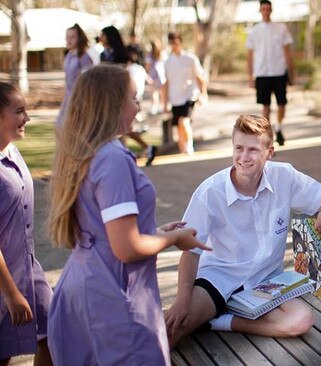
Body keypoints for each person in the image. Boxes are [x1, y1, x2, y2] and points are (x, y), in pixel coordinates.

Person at [46, 65, 210, 365]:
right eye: (133, 99)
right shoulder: (113, 158)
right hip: (113, 295)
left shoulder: (87, 153)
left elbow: (106, 231)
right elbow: (126, 247)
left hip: (84, 284)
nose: (138, 107)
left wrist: (155, 233)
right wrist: (175, 238)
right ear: (111, 104)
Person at [165, 114, 321, 348]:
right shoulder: (210, 192)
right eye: (238, 148)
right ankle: (209, 313)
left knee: (301, 321)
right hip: (219, 279)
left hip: (266, 282)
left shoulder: (284, 176)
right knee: (169, 330)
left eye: (253, 150)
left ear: (269, 152)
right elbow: (190, 252)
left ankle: (220, 321)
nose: (244, 157)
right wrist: (182, 299)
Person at [0, 82, 52, 366]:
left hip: (29, 268)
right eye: (19, 111)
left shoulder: (11, 151)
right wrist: (11, 294)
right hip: (4, 278)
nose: (27, 118)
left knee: (54, 331)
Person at [246, 0, 295, 146]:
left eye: (268, 9)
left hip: (279, 71)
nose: (266, 11)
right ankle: (268, 136)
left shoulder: (281, 29)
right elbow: (249, 55)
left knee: (282, 104)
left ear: (271, 10)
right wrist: (250, 76)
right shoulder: (254, 31)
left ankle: (279, 127)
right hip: (262, 73)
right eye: (263, 9)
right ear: (260, 11)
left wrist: (291, 71)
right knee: (265, 106)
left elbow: (287, 52)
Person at [162, 32, 206, 155]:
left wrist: (203, 94)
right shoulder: (167, 62)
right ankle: (182, 151)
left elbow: (199, 77)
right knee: (179, 126)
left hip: (190, 95)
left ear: (180, 42)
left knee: (184, 121)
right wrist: (164, 103)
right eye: (172, 43)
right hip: (175, 98)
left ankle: (189, 146)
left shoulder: (190, 58)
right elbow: (166, 83)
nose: (174, 45)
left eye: (176, 42)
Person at [56, 23, 95, 128]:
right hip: (68, 97)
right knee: (61, 126)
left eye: (72, 37)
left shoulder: (84, 57)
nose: (69, 40)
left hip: (80, 98)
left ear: (80, 38)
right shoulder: (68, 55)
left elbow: (89, 80)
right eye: (67, 37)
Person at [123, 48, 157, 166]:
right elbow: (150, 80)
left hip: (130, 99)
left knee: (126, 129)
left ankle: (147, 147)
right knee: (126, 129)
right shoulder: (141, 69)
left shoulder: (127, 70)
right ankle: (146, 147)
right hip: (138, 99)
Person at [145, 40, 166, 115]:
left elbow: (166, 65)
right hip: (154, 76)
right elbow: (148, 66)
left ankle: (163, 106)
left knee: (161, 92)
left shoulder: (162, 54)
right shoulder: (150, 55)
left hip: (161, 76)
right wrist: (147, 76)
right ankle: (156, 106)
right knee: (155, 92)